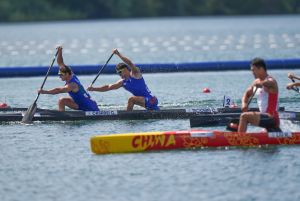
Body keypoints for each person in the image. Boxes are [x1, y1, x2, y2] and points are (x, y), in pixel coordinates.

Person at [87, 49, 159, 111]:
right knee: (132, 100)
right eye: (118, 73)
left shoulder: (135, 74)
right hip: (146, 102)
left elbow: (130, 63)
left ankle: (127, 117)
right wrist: (93, 88)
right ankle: (134, 113)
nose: (120, 74)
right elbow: (108, 87)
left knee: (131, 99)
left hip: (151, 99)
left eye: (120, 72)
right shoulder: (122, 82)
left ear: (126, 70)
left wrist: (118, 54)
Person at [38, 46, 99, 111]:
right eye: (59, 74)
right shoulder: (71, 75)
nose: (59, 76)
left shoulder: (72, 85)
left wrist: (45, 92)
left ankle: (61, 118)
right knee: (62, 100)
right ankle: (61, 115)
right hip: (82, 103)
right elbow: (60, 63)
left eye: (61, 75)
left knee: (61, 100)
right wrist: (60, 52)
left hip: (89, 108)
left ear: (67, 74)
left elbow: (59, 90)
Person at [238, 57, 281, 132]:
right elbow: (246, 94)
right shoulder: (256, 82)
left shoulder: (271, 81)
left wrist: (261, 83)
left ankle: (239, 140)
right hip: (264, 118)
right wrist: (244, 104)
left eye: (253, 70)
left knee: (244, 116)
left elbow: (269, 83)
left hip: (271, 117)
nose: (252, 72)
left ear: (261, 69)